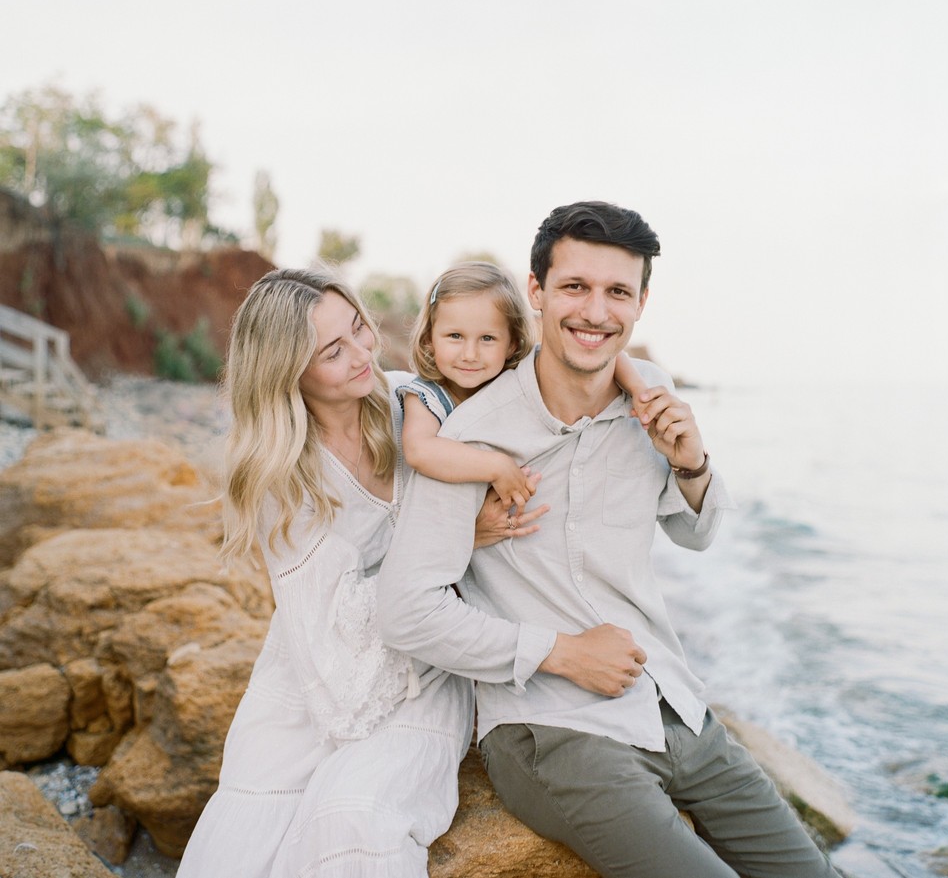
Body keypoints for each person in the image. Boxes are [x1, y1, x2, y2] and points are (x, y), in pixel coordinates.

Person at [378, 202, 842, 878]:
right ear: (535, 292)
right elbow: (406, 609)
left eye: (617, 291)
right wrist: (561, 652)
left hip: (673, 707)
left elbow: (699, 534)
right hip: (553, 728)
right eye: (575, 287)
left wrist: (692, 462)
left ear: (641, 302)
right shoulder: (473, 438)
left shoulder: (649, 394)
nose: (596, 311)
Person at [176, 267, 544, 878]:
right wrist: (455, 542)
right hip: (315, 666)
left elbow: (525, 392)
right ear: (286, 370)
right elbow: (331, 627)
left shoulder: (407, 405)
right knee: (245, 845)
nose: (360, 355)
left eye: (358, 330)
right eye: (332, 351)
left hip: (419, 669)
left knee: (355, 815)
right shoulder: (282, 476)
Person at [399, 259, 651, 514]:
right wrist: (497, 467)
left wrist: (639, 391)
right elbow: (419, 451)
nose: (470, 354)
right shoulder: (426, 396)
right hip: (440, 517)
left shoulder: (519, 378)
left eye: (487, 338)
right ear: (429, 338)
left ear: (512, 343)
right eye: (455, 336)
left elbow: (610, 358)